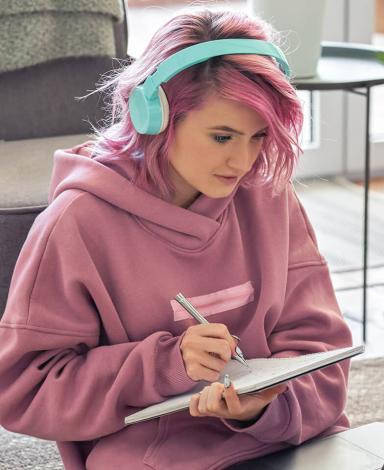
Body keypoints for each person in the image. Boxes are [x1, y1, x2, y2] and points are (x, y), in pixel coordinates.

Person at [0, 8, 353, 470]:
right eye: (222, 136)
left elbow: (323, 354)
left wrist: (262, 408)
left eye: (258, 136)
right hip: (153, 456)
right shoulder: (77, 223)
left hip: (289, 436)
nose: (243, 160)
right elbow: (25, 391)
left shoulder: (268, 195)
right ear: (155, 115)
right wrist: (167, 364)